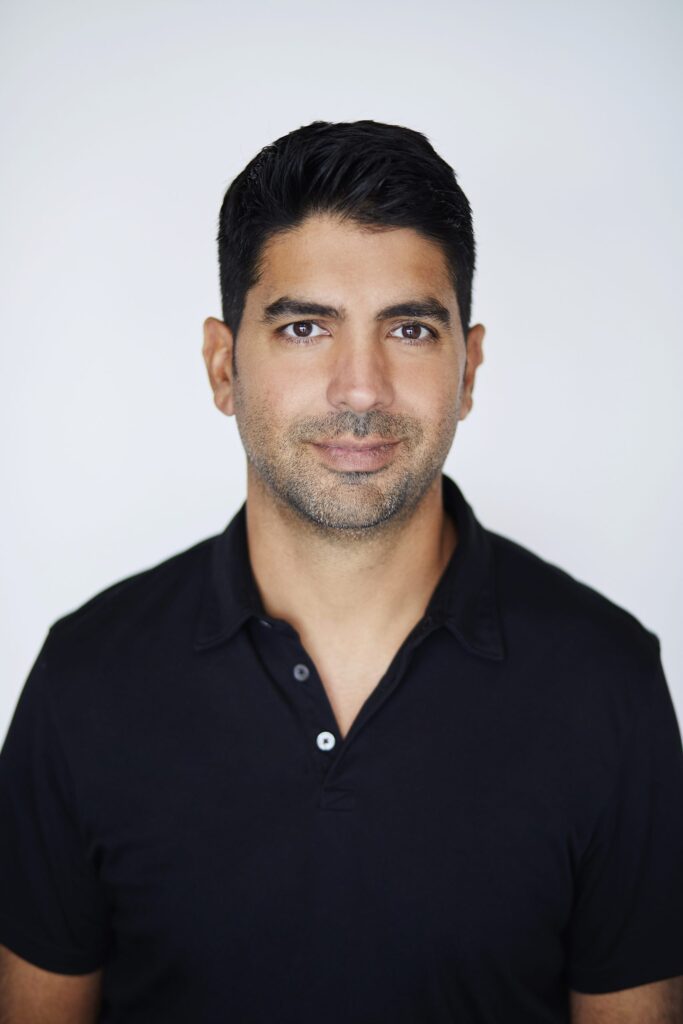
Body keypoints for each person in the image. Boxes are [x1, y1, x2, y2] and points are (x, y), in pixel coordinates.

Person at [0, 119, 682, 1024]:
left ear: (467, 369)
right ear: (221, 364)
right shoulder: (84, 678)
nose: (360, 388)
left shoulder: (607, 682)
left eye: (407, 328)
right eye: (304, 328)